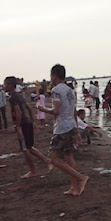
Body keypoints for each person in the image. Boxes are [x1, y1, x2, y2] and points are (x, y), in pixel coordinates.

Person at [37, 64, 89, 196]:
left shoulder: (56, 90)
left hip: (62, 128)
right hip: (71, 125)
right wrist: (76, 130)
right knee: (68, 156)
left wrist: (43, 110)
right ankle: (74, 188)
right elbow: (74, 111)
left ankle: (81, 178)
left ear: (54, 76)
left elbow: (56, 111)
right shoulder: (70, 90)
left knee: (54, 159)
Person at [4, 76, 53, 179]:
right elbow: (29, 108)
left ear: (9, 85)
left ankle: (33, 171)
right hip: (28, 122)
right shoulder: (20, 95)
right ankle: (47, 161)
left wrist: (17, 128)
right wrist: (33, 122)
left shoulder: (13, 98)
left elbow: (18, 112)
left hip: (23, 124)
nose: (4, 86)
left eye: (5, 84)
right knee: (29, 147)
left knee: (25, 148)